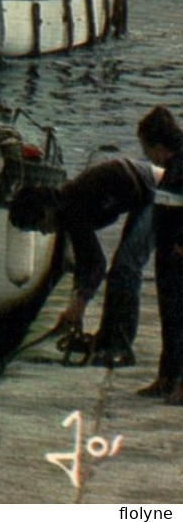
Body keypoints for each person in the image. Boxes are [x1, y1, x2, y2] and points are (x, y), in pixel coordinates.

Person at [8, 117, 172, 368]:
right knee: (122, 268)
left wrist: (77, 306)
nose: (42, 233)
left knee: (126, 268)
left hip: (161, 194)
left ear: (45, 212)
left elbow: (95, 263)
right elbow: (86, 262)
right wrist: (77, 303)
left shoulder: (72, 206)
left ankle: (119, 347)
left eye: (38, 227)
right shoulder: (66, 207)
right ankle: (107, 340)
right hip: (143, 194)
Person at [137, 104, 183, 403]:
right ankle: (167, 377)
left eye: (146, 150)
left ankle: (178, 384)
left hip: (179, 252)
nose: (146, 158)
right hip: (168, 252)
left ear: (158, 146)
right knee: (170, 318)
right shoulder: (173, 167)